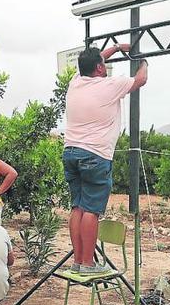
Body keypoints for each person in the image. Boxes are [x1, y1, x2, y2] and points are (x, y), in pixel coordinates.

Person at [63, 44, 148, 275]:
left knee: (77, 207)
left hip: (70, 152)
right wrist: (144, 60)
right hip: (95, 155)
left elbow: (94, 62)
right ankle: (88, 264)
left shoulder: (75, 82)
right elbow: (140, 80)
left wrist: (117, 48)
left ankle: (79, 261)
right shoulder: (110, 84)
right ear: (100, 68)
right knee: (91, 210)